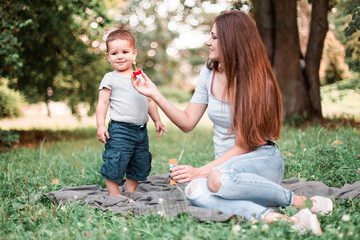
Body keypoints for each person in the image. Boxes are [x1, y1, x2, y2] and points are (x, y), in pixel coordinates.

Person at [131, 10, 333, 235]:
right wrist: (155, 94)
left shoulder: (259, 82)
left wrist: (201, 170)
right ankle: (279, 219)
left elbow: (246, 144)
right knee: (194, 191)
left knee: (213, 179)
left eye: (215, 37)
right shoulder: (208, 74)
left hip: (261, 162)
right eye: (210, 35)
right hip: (222, 172)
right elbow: (187, 122)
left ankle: (300, 201)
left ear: (232, 40)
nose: (208, 42)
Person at [96, 29, 168, 202]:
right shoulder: (110, 78)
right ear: (108, 56)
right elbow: (102, 103)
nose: (120, 56)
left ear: (134, 54)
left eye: (125, 52)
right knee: (116, 159)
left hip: (141, 130)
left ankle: (131, 189)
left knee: (140, 160)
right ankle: (114, 193)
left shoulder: (140, 77)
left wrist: (157, 120)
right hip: (120, 129)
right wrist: (100, 125)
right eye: (114, 53)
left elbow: (150, 101)